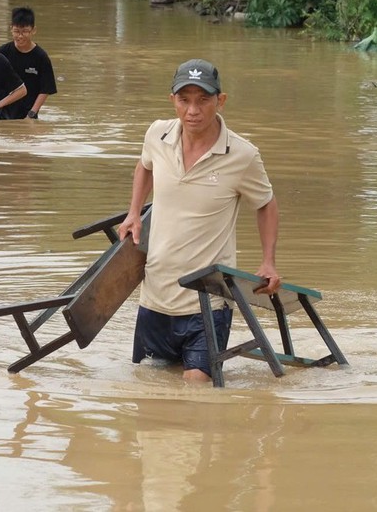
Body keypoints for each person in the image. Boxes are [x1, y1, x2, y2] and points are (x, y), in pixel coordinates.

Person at [116, 58, 281, 382]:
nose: (193, 110)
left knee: (197, 388)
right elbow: (144, 166)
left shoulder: (242, 155)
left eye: (203, 99)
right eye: (185, 99)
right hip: (155, 298)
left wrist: (268, 262)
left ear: (220, 101)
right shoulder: (157, 134)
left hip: (207, 303)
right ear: (172, 101)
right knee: (151, 391)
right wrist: (134, 212)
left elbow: (266, 203)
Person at [0, 7, 57, 119]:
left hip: (27, 113)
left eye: (25, 32)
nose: (20, 36)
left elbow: (46, 89)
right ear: (11, 29)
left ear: (33, 30)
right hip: (1, 113)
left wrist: (31, 114)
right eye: (16, 31)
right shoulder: (2, 52)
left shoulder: (41, 57)